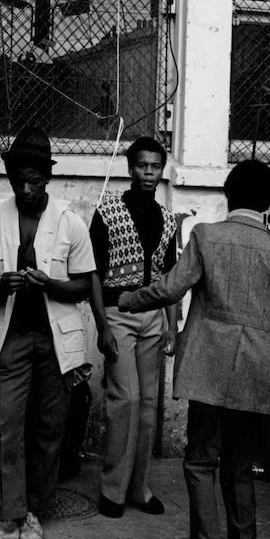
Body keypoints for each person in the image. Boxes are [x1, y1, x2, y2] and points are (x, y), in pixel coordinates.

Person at [118, 159, 270, 539]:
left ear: (228, 195)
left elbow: (170, 289)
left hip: (209, 368)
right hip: (256, 373)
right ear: (269, 202)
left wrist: (127, 300)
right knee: (239, 467)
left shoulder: (206, 236)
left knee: (201, 460)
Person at [0, 126, 95, 539]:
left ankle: (34, 511)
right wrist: (5, 283)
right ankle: (7, 518)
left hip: (57, 342)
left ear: (47, 178)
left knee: (48, 429)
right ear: (10, 178)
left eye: (34, 182)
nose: (25, 189)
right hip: (12, 339)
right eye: (18, 181)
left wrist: (48, 284)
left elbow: (83, 285)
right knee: (4, 427)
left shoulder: (70, 222)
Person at [89, 136, 177, 518]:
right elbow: (93, 273)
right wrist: (102, 326)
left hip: (154, 317)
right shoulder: (107, 213)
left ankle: (139, 489)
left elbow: (170, 278)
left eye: (155, 167)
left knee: (147, 405)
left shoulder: (168, 219)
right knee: (125, 400)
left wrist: (173, 326)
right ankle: (113, 491)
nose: (148, 173)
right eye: (142, 166)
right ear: (130, 169)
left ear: (162, 171)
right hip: (117, 314)